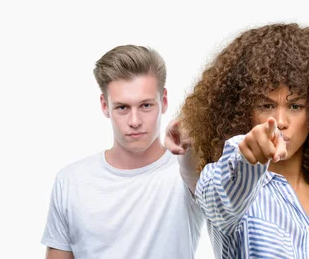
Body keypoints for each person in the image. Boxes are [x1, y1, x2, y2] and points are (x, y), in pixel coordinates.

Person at [168, 23, 309, 258]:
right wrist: (246, 157)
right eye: (266, 105)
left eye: (295, 106)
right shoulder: (224, 185)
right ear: (243, 111)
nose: (280, 121)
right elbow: (222, 195)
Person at [41, 45, 203, 259]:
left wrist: (192, 142)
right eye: (122, 108)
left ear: (163, 101)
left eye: (145, 105)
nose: (134, 122)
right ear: (104, 105)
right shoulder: (71, 181)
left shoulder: (187, 173)